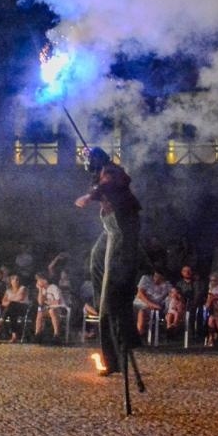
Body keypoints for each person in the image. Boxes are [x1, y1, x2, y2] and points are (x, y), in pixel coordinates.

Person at [77, 150, 141, 378]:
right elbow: (101, 183)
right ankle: (100, 300)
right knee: (96, 258)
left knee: (111, 300)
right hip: (111, 231)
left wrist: (89, 196)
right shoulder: (103, 173)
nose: (86, 164)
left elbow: (111, 184)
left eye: (88, 159)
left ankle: (116, 357)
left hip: (121, 230)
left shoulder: (112, 171)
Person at [33, 274, 67, 343]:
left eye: (39, 280)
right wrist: (40, 290)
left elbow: (58, 301)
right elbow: (40, 302)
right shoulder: (42, 290)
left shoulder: (53, 287)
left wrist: (49, 303)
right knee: (40, 312)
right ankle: (37, 335)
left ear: (45, 281)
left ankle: (56, 335)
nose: (37, 282)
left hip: (60, 308)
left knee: (51, 310)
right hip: (49, 309)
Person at [0, 273, 31, 343]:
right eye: (15, 279)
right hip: (13, 310)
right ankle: (14, 337)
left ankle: (1, 320)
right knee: (12, 313)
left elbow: (20, 298)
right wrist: (11, 302)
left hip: (23, 308)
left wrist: (10, 301)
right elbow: (3, 302)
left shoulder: (23, 288)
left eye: (18, 279)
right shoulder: (8, 291)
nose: (17, 281)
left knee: (12, 305)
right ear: (11, 281)